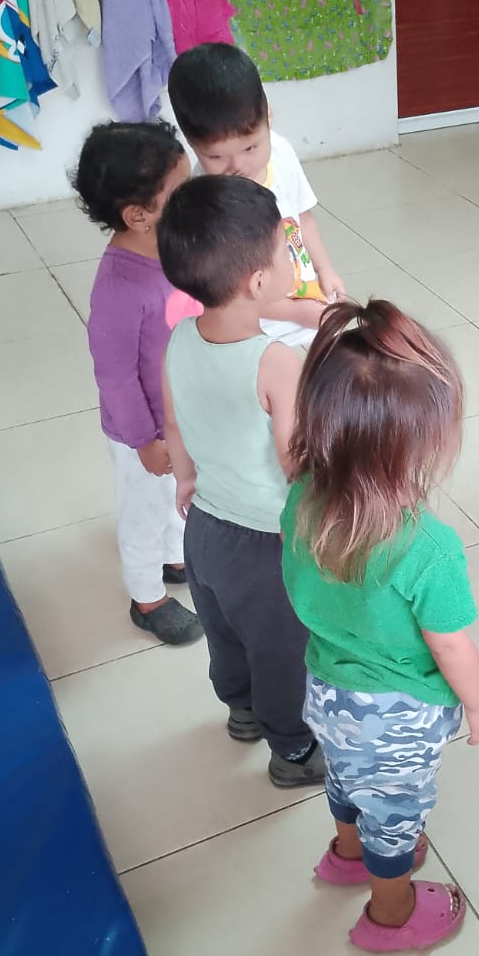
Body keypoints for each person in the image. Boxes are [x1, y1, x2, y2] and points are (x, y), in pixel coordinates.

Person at [282, 300, 479, 953]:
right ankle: (391, 914)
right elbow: (450, 643)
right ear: (423, 440)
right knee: (395, 820)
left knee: (345, 780)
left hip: (327, 689)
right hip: (397, 716)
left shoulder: (302, 495)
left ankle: (346, 855)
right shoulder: (428, 549)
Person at [158, 174, 325, 786]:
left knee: (224, 631)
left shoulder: (179, 338)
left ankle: (242, 711)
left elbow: (174, 422)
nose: (292, 260)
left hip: (203, 529)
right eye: (285, 250)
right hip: (266, 543)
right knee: (281, 649)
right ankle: (293, 751)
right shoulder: (277, 361)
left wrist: (185, 479)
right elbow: (295, 463)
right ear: (258, 282)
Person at [72, 120, 202, 646]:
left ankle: (174, 557)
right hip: (141, 432)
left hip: (180, 415)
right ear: (138, 215)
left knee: (178, 491)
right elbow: (115, 376)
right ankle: (147, 597)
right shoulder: (119, 287)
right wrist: (144, 440)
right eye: (180, 190)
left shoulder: (170, 249)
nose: (191, 196)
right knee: (143, 511)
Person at [167, 42, 345, 350]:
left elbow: (302, 217)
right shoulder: (206, 201)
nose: (238, 165)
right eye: (216, 157)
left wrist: (324, 269)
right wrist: (296, 313)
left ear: (269, 116)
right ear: (192, 144)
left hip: (307, 308)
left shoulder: (282, 153)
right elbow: (226, 292)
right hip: (253, 333)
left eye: (250, 147)